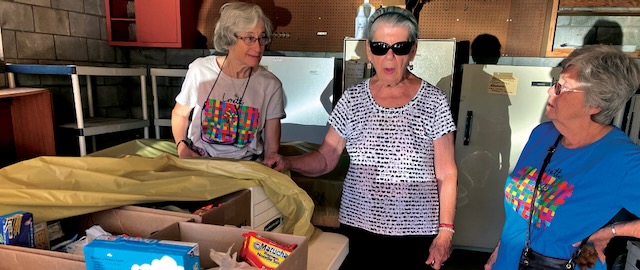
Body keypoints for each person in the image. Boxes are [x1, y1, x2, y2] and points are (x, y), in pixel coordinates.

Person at [268, 6, 458, 270]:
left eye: (400, 47)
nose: (389, 57)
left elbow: (447, 173)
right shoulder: (353, 100)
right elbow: (326, 158)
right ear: (369, 50)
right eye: (380, 47)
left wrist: (445, 231)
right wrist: (289, 162)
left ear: (413, 51)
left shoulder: (433, 101)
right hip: (358, 227)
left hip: (416, 232)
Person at [484, 44, 640, 270]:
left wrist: (613, 231)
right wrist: (500, 250)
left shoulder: (623, 161)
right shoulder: (543, 135)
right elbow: (523, 210)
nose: (550, 91)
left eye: (562, 87)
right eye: (555, 83)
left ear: (595, 104)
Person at [171, 2, 285, 164]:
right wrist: (181, 146)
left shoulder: (271, 85)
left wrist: (271, 159)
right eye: (249, 38)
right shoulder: (201, 70)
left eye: (262, 38)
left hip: (247, 166)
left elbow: (271, 146)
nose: (258, 47)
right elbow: (180, 114)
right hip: (200, 162)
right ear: (228, 39)